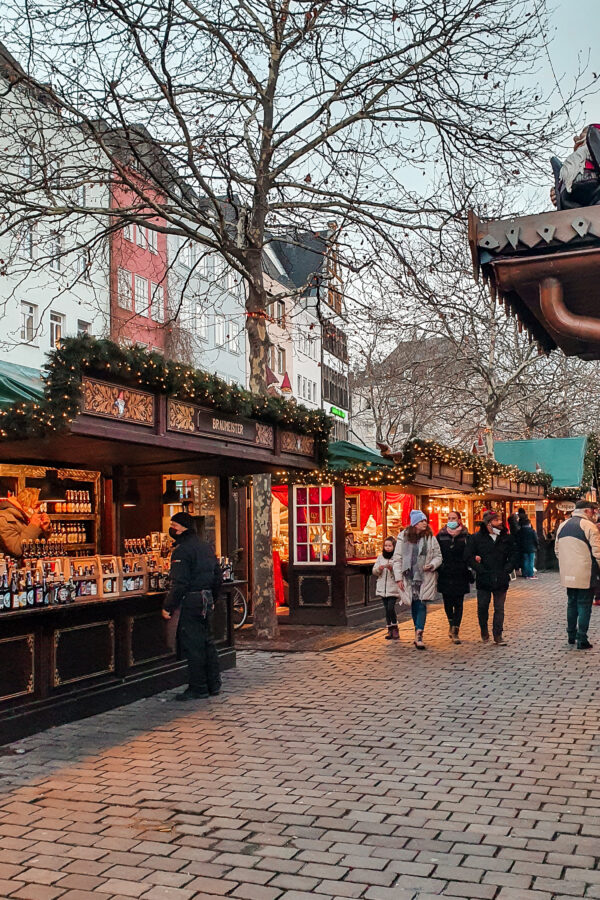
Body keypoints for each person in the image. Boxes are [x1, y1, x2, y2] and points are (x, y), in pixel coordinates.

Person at [162, 511, 223, 700]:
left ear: (184, 528)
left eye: (174, 526)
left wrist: (168, 606)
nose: (172, 530)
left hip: (192, 601)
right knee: (207, 642)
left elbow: (180, 582)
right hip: (206, 599)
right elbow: (217, 576)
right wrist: (213, 598)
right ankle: (213, 683)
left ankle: (198, 687)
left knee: (193, 645)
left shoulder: (182, 551)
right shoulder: (206, 547)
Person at [465, 510, 518, 645]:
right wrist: (479, 568)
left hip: (501, 577)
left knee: (499, 608)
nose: (499, 522)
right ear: (488, 523)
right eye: (496, 520)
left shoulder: (506, 538)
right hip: (484, 577)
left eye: (499, 520)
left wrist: (507, 569)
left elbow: (514, 555)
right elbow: (468, 556)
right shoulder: (476, 538)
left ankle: (498, 634)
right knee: (483, 606)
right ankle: (484, 630)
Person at [392, 510, 442, 650]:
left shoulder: (430, 538)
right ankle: (417, 630)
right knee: (414, 604)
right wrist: (398, 578)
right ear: (415, 523)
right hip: (408, 577)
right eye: (421, 521)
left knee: (421, 604)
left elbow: (438, 556)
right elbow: (397, 559)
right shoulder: (403, 537)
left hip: (425, 576)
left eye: (425, 520)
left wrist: (432, 565)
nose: (425, 523)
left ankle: (419, 634)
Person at [555, 499, 600, 650]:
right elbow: (598, 552)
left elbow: (557, 550)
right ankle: (582, 639)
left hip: (568, 572)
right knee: (584, 605)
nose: (594, 514)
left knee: (571, 603)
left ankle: (571, 635)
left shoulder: (563, 525)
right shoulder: (589, 526)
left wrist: (567, 564)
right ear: (586, 511)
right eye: (593, 511)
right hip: (586, 572)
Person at [437, 511, 472, 645]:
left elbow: (470, 553)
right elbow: (436, 553)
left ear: (459, 520)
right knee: (447, 602)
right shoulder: (441, 536)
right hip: (445, 573)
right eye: (449, 518)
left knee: (458, 602)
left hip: (460, 572)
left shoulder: (466, 536)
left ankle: (456, 629)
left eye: (454, 518)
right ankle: (451, 623)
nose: (451, 520)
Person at [0, 484, 51, 558]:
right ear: (25, 504)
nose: (38, 510)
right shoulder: (4, 519)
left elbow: (37, 548)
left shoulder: (24, 518)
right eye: (36, 506)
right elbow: (17, 550)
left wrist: (44, 530)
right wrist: (33, 526)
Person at [373, 536, 402, 640]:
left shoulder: (396, 558)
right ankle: (389, 629)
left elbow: (399, 572)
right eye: (386, 545)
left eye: (390, 545)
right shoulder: (380, 557)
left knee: (390, 608)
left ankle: (395, 628)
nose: (387, 547)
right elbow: (374, 571)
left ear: (394, 546)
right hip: (383, 588)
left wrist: (391, 569)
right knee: (386, 609)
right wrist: (379, 569)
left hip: (393, 587)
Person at [517, 515, 539, 579]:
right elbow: (536, 539)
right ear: (529, 524)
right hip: (531, 548)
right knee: (531, 561)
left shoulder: (520, 531)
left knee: (525, 561)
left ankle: (525, 574)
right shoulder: (532, 531)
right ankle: (530, 574)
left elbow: (518, 540)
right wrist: (537, 546)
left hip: (523, 548)